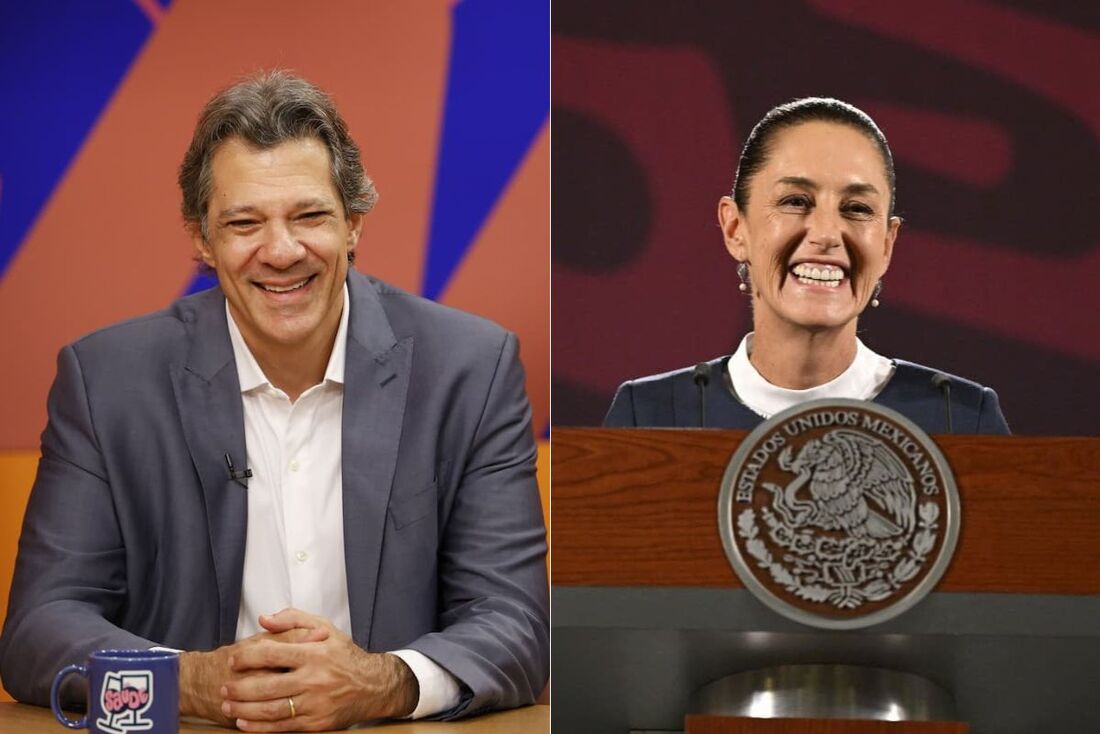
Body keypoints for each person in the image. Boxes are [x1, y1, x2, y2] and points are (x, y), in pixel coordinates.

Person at [0, 71, 548, 730]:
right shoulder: (106, 380)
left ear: (354, 223)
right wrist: (192, 682)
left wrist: (382, 683)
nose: (281, 251)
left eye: (310, 215)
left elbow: (516, 624)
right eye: (244, 223)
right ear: (203, 240)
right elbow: (39, 630)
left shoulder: (470, 369)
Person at [605, 97, 1009, 434]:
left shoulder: (962, 419)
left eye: (856, 208)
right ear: (734, 228)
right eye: (795, 201)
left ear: (887, 245)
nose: (827, 233)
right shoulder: (649, 416)